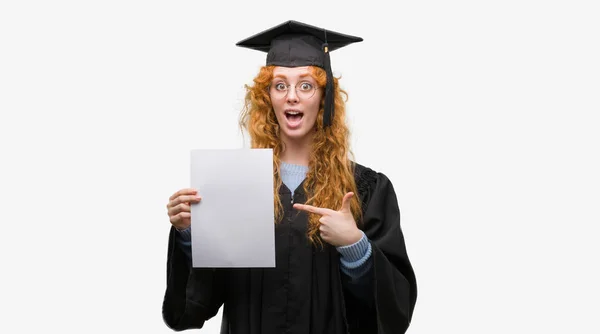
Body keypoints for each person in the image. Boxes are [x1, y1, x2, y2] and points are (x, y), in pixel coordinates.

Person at [162, 20, 417, 334]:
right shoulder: (235, 185)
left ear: (325, 97)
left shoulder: (365, 189)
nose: (292, 96)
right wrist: (190, 235)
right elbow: (191, 310)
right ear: (268, 96)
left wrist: (355, 245)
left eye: (306, 85)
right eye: (280, 85)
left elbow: (394, 316)